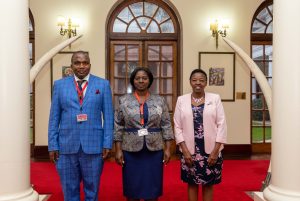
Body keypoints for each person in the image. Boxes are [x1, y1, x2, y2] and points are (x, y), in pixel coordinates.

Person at [48, 51, 114, 201]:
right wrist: (53, 145)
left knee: (92, 189)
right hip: (66, 146)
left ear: (90, 64)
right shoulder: (59, 85)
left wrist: (107, 143)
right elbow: (54, 117)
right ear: (71, 66)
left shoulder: (102, 85)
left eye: (85, 63)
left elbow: (109, 117)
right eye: (77, 63)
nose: (81, 66)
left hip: (94, 146)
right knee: (69, 190)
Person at [114, 67, 174, 201]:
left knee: (152, 188)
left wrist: (168, 148)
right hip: (130, 150)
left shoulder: (160, 100)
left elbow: (166, 124)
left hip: (154, 149)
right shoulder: (123, 101)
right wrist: (118, 150)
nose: (141, 81)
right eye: (137, 78)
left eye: (144, 78)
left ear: (149, 80)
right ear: (133, 81)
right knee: (132, 187)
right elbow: (118, 126)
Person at [173, 69, 227, 201]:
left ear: (206, 82)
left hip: (210, 149)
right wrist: (184, 151)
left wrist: (215, 151)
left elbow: (222, 124)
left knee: (209, 184)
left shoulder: (215, 98)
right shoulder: (181, 100)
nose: (198, 83)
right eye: (194, 80)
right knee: (192, 183)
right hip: (189, 149)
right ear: (190, 82)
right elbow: (177, 126)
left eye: (202, 80)